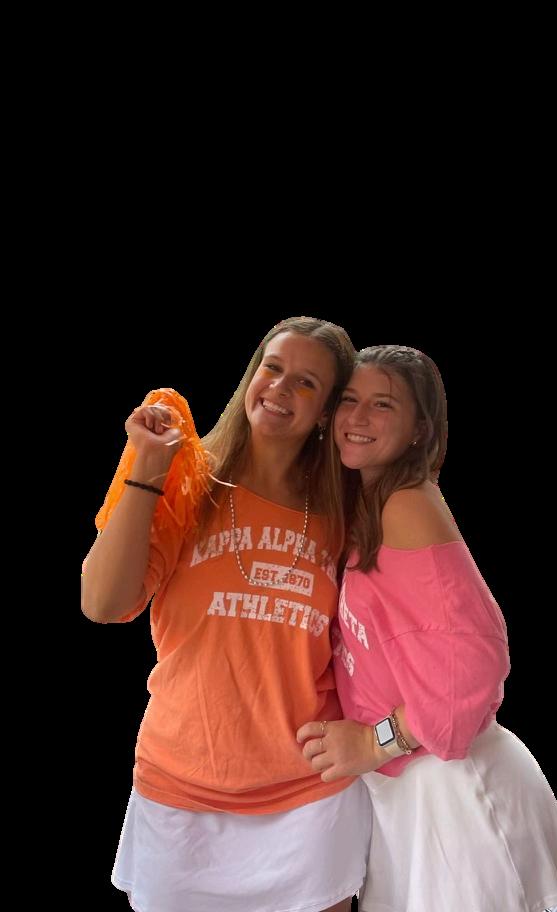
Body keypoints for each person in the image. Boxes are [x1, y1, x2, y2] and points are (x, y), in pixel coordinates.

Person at [297, 345, 557, 912]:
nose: (358, 417)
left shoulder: (406, 506)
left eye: (382, 404)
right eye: (349, 400)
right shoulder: (371, 504)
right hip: (417, 793)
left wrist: (370, 741)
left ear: (420, 429)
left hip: (456, 789)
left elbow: (471, 669)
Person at [81, 317, 371, 912]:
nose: (280, 388)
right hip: (180, 788)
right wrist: (147, 467)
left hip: (309, 793)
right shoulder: (187, 482)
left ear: (326, 413)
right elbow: (103, 603)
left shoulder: (349, 508)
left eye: (306, 383)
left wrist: (378, 737)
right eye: (273, 368)